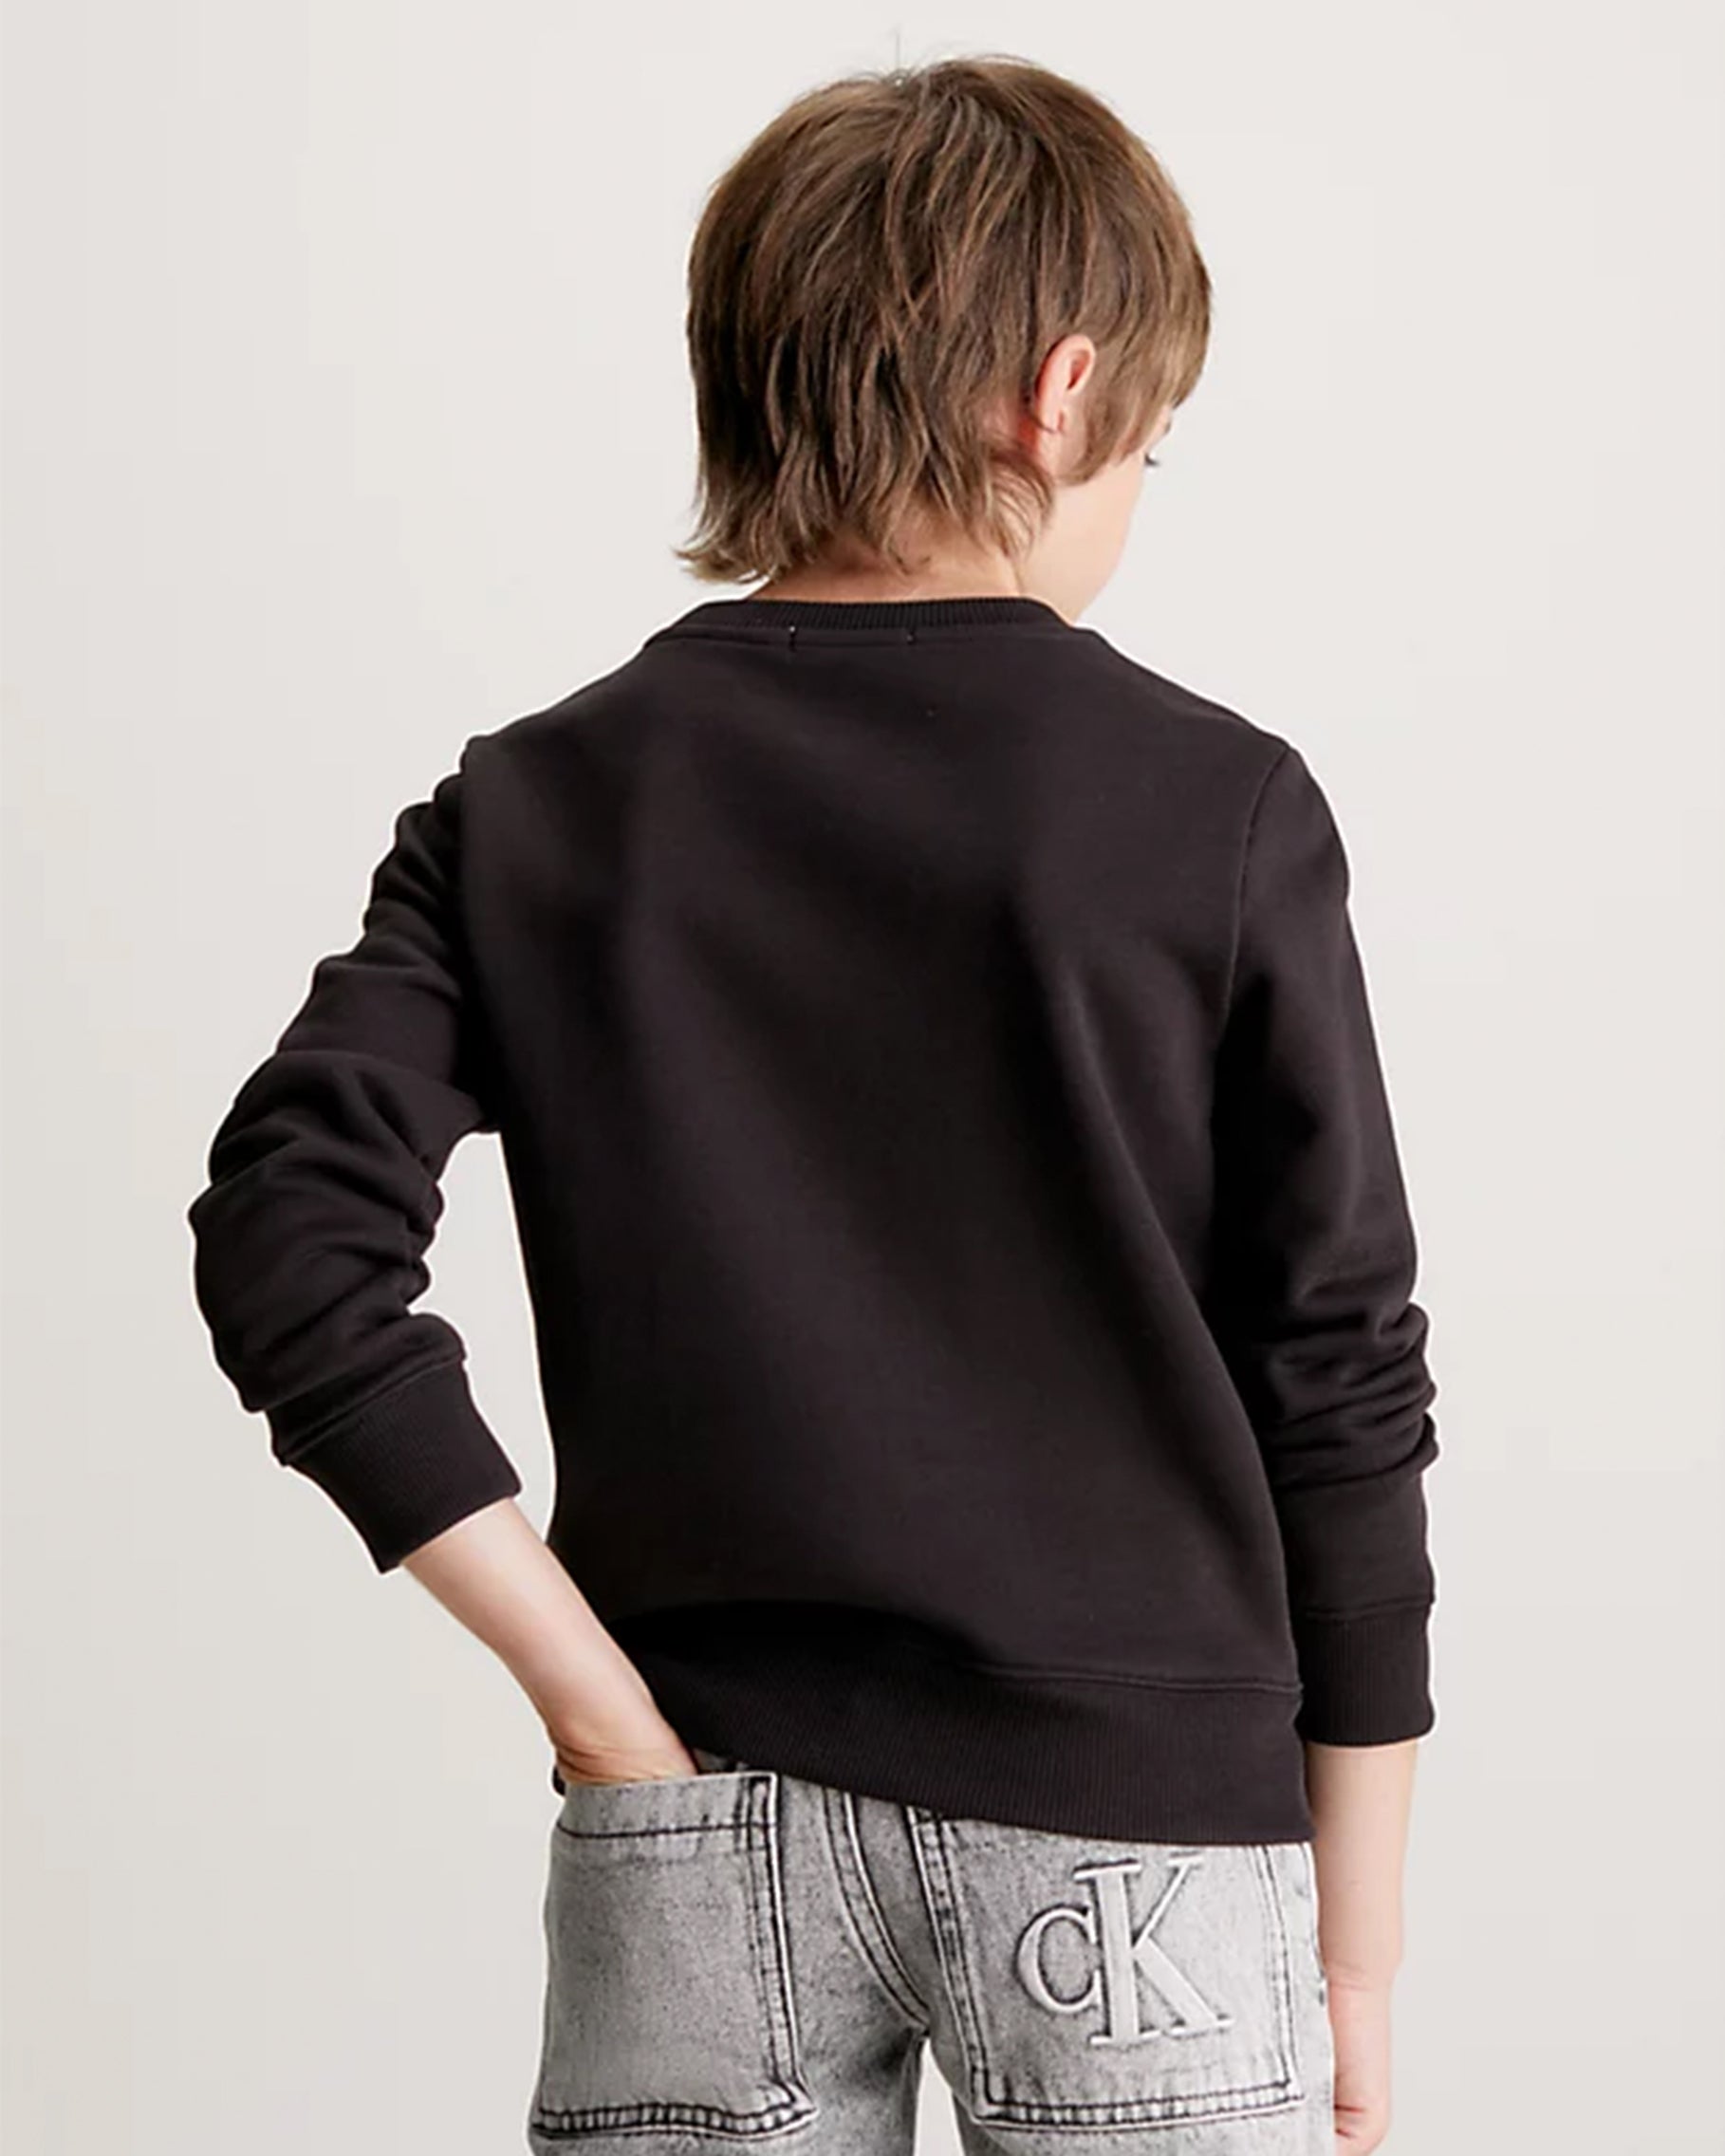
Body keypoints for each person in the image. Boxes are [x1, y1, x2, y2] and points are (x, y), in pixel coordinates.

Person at [186, 52, 1439, 2156]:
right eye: (1154, 441)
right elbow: (1338, 1363)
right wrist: (1362, 1938)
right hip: (1137, 1848)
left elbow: (285, 1232)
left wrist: (597, 1706)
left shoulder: (536, 801)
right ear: (1060, 396)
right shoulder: (1215, 805)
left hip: (692, 1809)